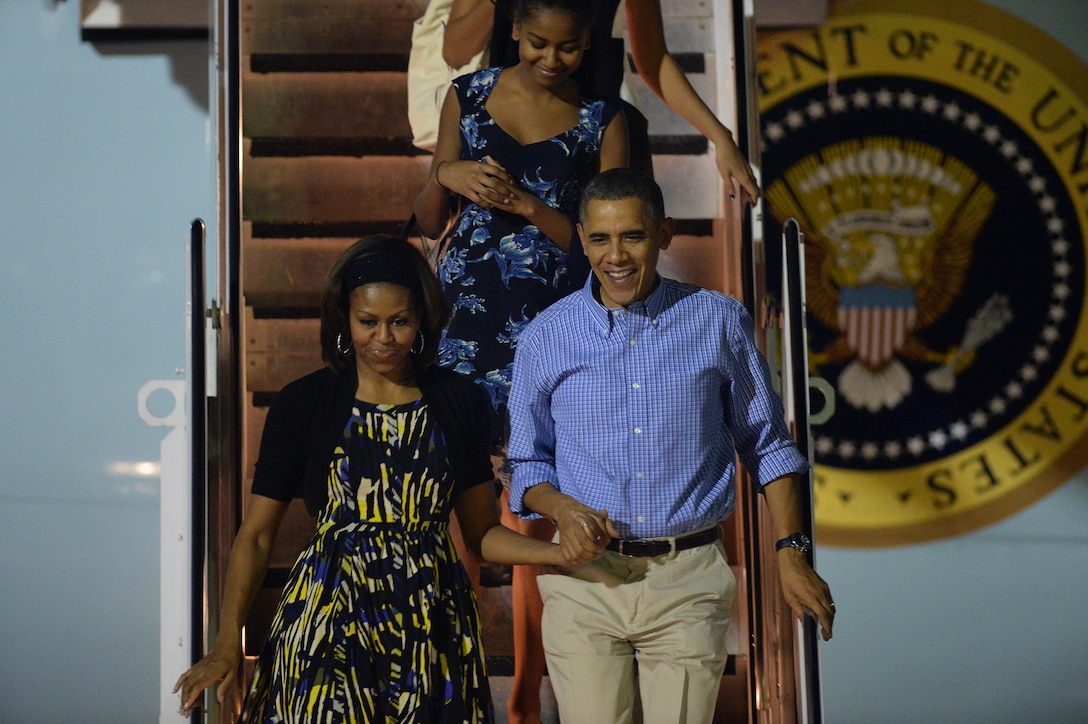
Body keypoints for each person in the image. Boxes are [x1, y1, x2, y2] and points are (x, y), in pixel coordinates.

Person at [173, 236, 600, 722]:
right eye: (367, 322)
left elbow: (482, 536)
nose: (384, 338)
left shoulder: (459, 400)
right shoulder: (302, 403)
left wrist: (555, 552)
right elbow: (255, 536)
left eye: (399, 321)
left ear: (421, 320)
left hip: (431, 630)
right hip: (328, 624)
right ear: (343, 320)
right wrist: (227, 644)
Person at [507, 168, 835, 723]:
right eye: (600, 239)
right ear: (582, 239)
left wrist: (791, 551)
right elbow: (527, 461)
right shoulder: (546, 335)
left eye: (632, 236)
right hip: (584, 580)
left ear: (664, 234)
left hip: (687, 577)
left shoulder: (718, 320)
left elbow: (768, 444)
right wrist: (561, 506)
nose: (617, 255)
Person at [490, 0, 760, 202]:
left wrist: (720, 137)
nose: (551, 57)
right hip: (509, 133)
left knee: (619, 241)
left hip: (594, 137)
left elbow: (653, 59)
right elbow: (456, 50)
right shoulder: (474, 95)